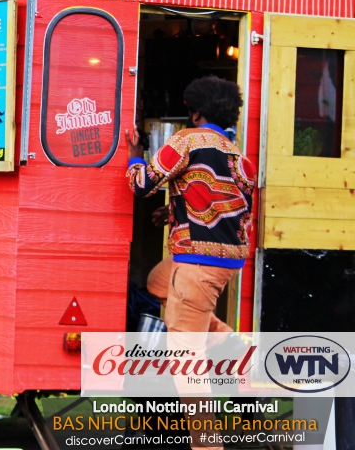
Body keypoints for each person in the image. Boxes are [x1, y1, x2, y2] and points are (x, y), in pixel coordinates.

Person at [125, 75, 255, 447]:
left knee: (186, 363)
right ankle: (231, 344)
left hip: (196, 265)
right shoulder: (235, 153)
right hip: (225, 263)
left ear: (195, 112)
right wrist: (174, 212)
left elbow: (141, 184)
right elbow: (229, 205)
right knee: (156, 281)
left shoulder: (185, 141)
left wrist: (135, 153)